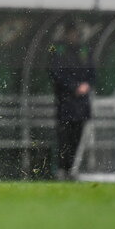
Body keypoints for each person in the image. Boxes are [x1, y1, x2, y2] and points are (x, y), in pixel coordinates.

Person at [48, 21, 96, 180]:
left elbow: (92, 73)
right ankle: (62, 169)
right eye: (71, 33)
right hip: (65, 104)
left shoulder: (85, 51)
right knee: (64, 138)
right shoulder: (57, 50)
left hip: (81, 106)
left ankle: (72, 169)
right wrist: (74, 86)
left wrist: (86, 85)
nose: (74, 36)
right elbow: (55, 73)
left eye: (76, 33)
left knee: (77, 138)